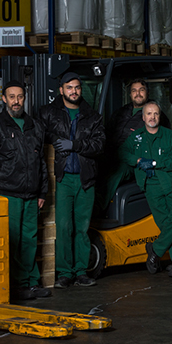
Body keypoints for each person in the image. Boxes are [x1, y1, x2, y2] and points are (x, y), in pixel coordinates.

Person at [0, 80, 51, 301]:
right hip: (7, 194)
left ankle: (32, 282)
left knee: (29, 239)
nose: (16, 101)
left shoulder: (35, 126)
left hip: (31, 195)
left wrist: (42, 192)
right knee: (13, 240)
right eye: (11, 97)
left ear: (24, 98)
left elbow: (41, 161)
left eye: (20, 97)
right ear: (4, 99)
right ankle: (16, 285)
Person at [42, 72, 105, 289]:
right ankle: (64, 272)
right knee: (63, 227)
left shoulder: (93, 116)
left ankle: (81, 271)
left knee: (82, 227)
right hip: (62, 179)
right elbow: (39, 134)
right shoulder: (49, 113)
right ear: (61, 90)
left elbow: (99, 145)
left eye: (77, 87)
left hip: (85, 179)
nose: (74, 91)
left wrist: (74, 145)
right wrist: (54, 139)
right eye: (69, 87)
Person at [120, 101, 172, 278]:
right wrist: (138, 161)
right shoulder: (136, 137)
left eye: (156, 114)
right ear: (143, 117)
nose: (152, 117)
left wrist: (153, 163)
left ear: (160, 116)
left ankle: (155, 249)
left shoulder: (170, 136)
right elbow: (122, 152)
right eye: (149, 114)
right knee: (166, 225)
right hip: (151, 187)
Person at [97, 79, 168, 212]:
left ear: (147, 92)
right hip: (113, 154)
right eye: (134, 91)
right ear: (130, 94)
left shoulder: (154, 115)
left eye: (141, 90)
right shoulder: (122, 112)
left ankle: (98, 208)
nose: (138, 94)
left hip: (133, 159)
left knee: (117, 172)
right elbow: (108, 132)